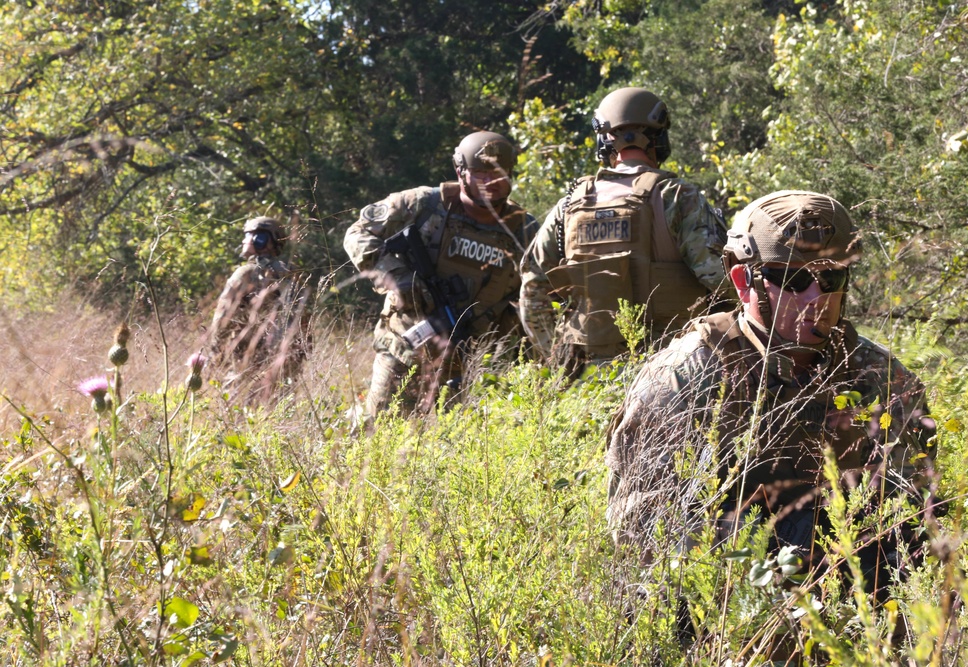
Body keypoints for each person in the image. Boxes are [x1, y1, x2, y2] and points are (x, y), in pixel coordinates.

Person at [606, 190, 937, 612]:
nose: (816, 295)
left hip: (853, 604)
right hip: (723, 606)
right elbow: (642, 530)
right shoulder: (684, 379)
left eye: (831, 277)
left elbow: (918, 511)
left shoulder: (879, 376)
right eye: (793, 279)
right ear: (744, 280)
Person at [519, 87, 730, 374]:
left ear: (604, 141)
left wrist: (558, 356)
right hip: (670, 370)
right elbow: (718, 276)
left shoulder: (570, 205)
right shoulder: (677, 196)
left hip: (589, 377)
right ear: (659, 138)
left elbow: (532, 287)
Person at [344, 131, 538, 422]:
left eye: (499, 174)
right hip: (405, 350)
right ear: (460, 172)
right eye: (480, 174)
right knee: (381, 433)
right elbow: (357, 234)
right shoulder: (421, 205)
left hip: (475, 364)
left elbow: (541, 292)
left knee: (464, 453)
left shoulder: (524, 230)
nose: (491, 182)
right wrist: (396, 276)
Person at [208, 215, 311, 402]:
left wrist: (215, 351)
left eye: (249, 235)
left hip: (248, 358)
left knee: (238, 411)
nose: (244, 240)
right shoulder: (292, 273)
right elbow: (305, 319)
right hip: (287, 359)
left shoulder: (245, 273)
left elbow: (222, 319)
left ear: (261, 239)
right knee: (279, 411)